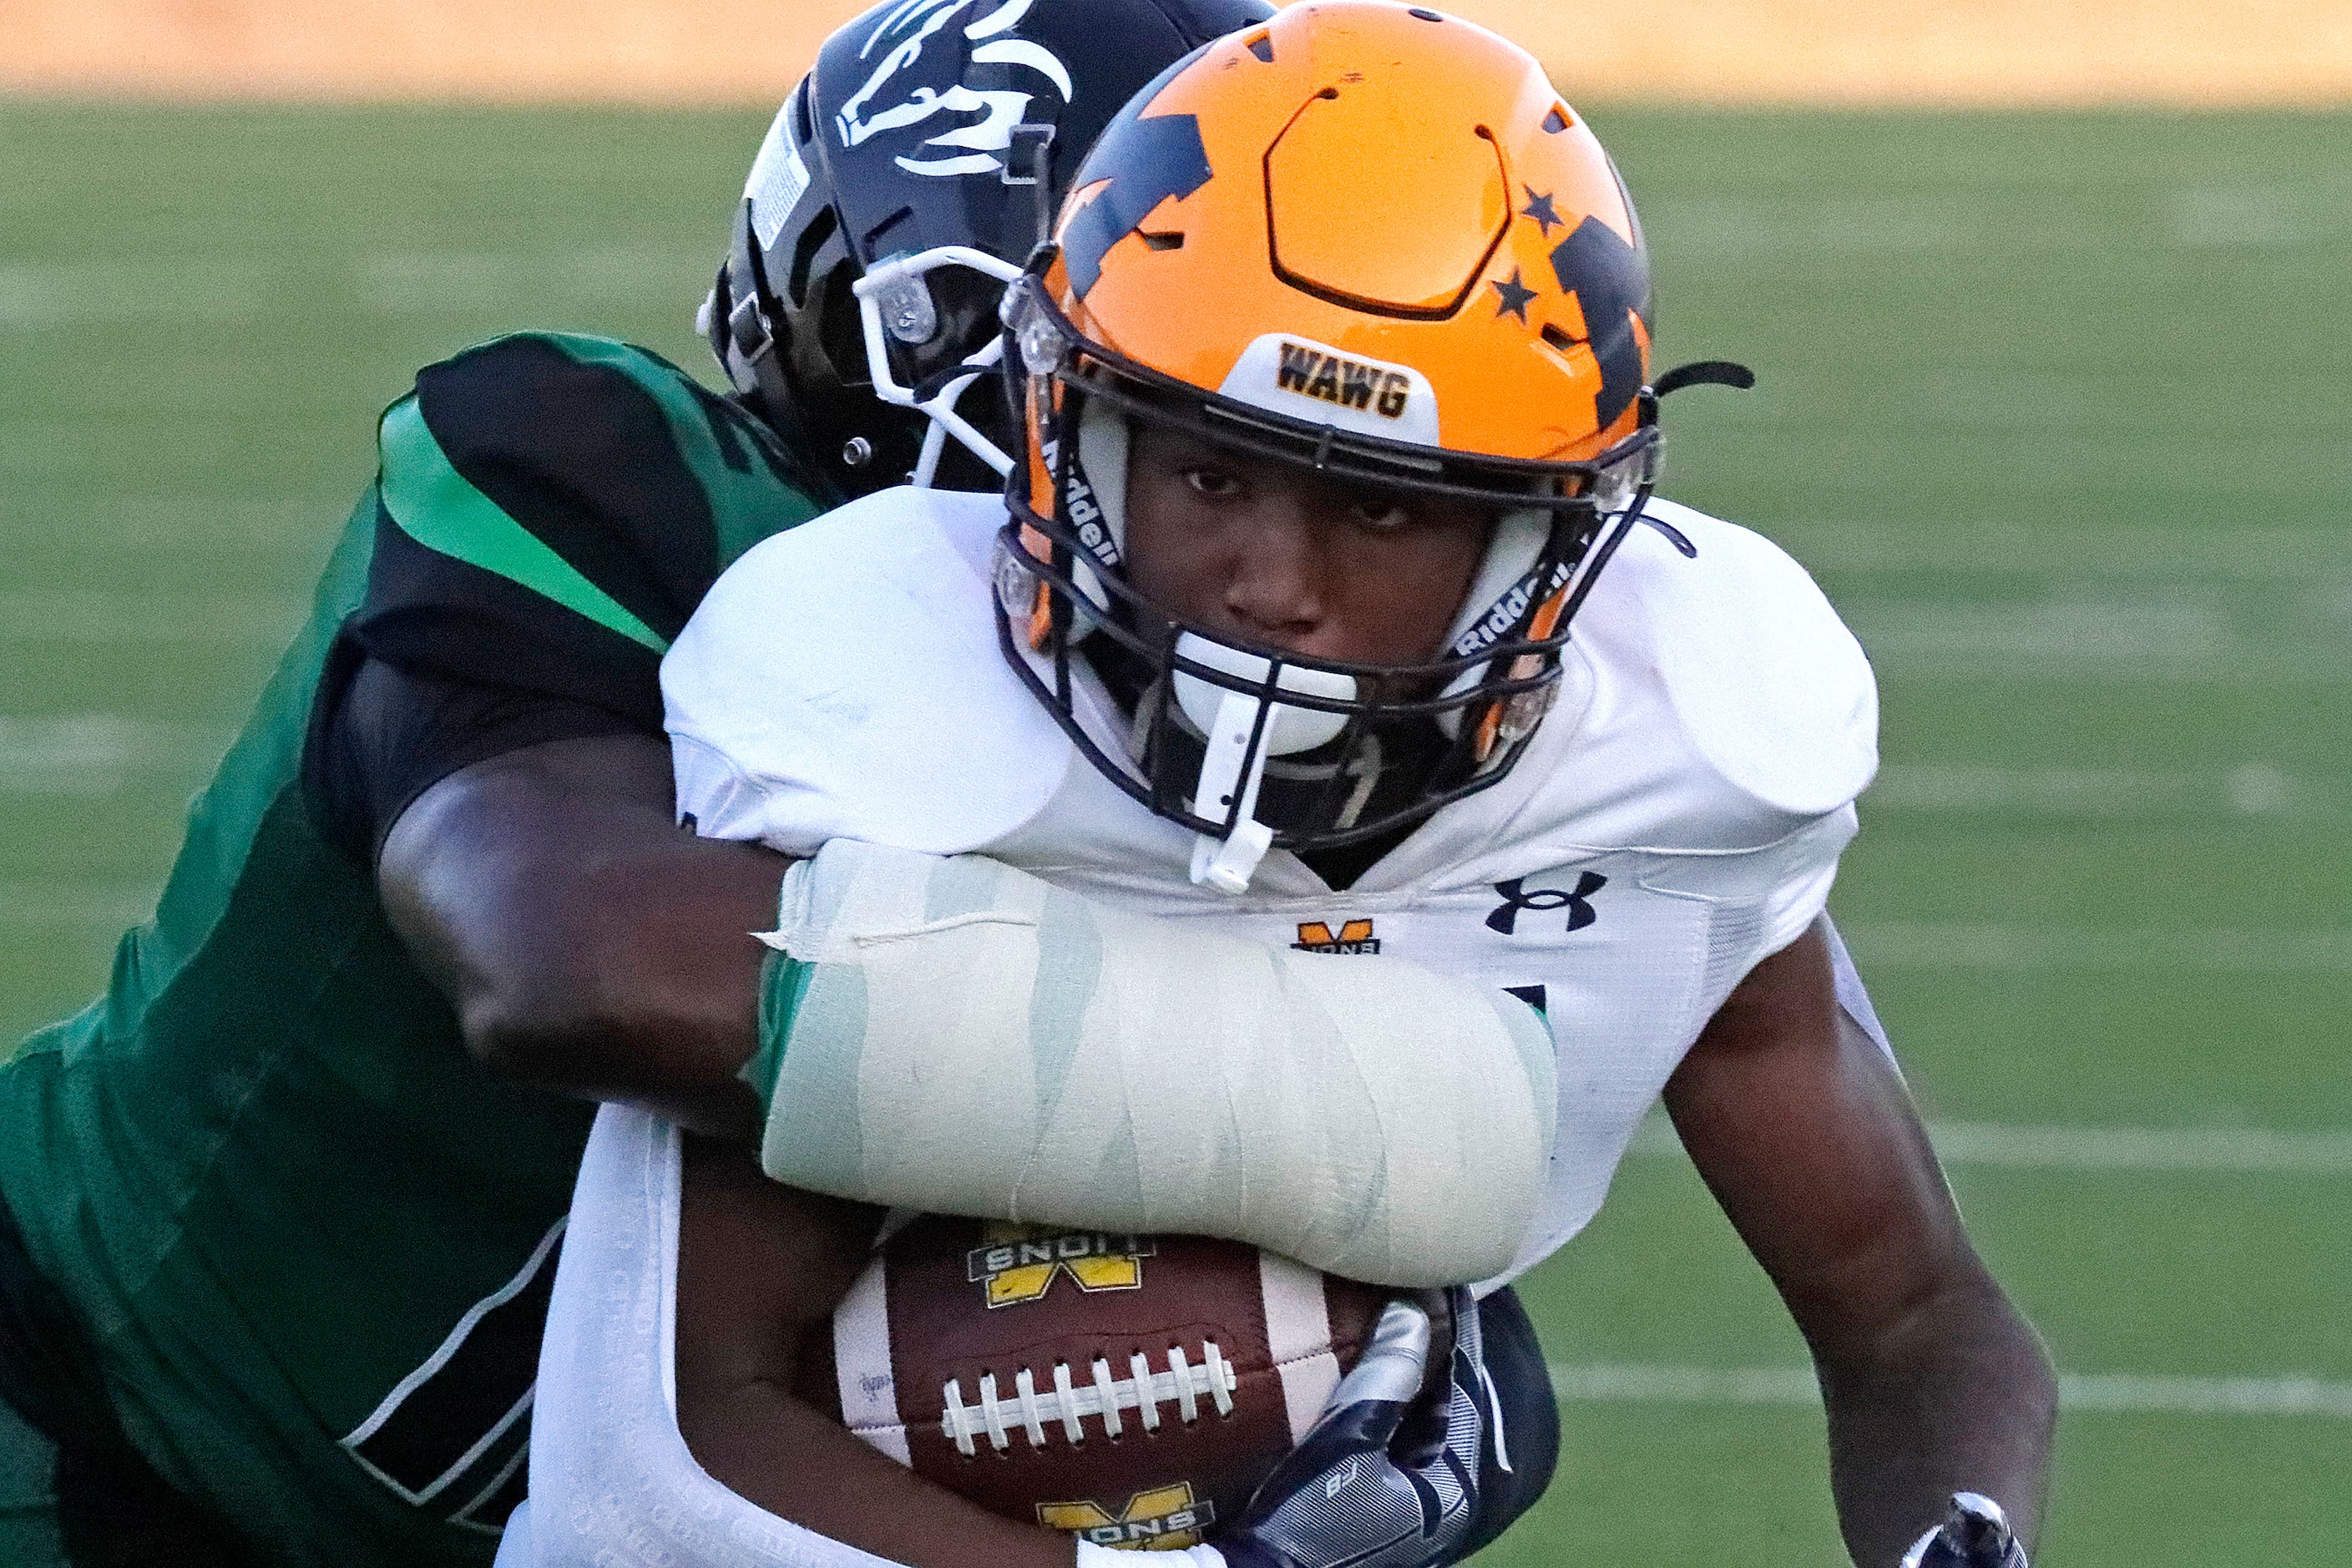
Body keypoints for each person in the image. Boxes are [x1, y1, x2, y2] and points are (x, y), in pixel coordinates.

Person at [508, 6, 2056, 1568]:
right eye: (1204, 472)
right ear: (1062, 429)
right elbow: (654, 1462)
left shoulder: (1689, 743)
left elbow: (1918, 1310)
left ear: (1548, 540)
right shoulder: (887, 707)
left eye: (1381, 511)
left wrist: (1962, 1542)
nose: (1272, 584)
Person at [0, 4, 1312, 1565]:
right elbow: (579, 959)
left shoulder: (1281, 690)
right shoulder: (598, 467)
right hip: (92, 1419)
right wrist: (1371, 1095)